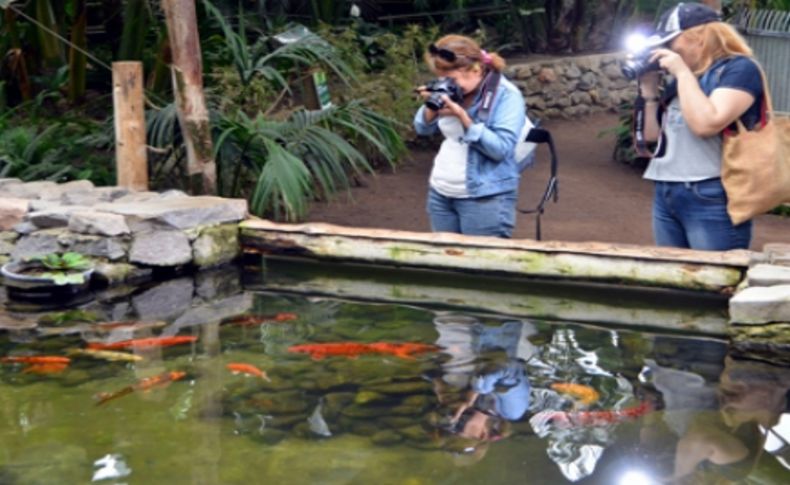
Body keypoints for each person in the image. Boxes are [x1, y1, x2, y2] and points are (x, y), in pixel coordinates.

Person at [635, 2, 764, 250]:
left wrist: (682, 73)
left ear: (699, 37)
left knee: (715, 280)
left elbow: (707, 124)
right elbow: (652, 136)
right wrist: (649, 91)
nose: (666, 50)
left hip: (711, 192)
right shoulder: (686, 77)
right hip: (666, 189)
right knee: (673, 280)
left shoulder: (739, 69)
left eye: (670, 42)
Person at [414, 35, 527, 238]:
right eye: (442, 78)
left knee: (483, 264)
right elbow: (422, 129)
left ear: (476, 69)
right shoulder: (447, 90)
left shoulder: (506, 95)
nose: (446, 83)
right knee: (446, 262)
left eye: (452, 79)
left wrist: (462, 117)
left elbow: (501, 149)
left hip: (484, 198)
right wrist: (432, 105)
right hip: (441, 192)